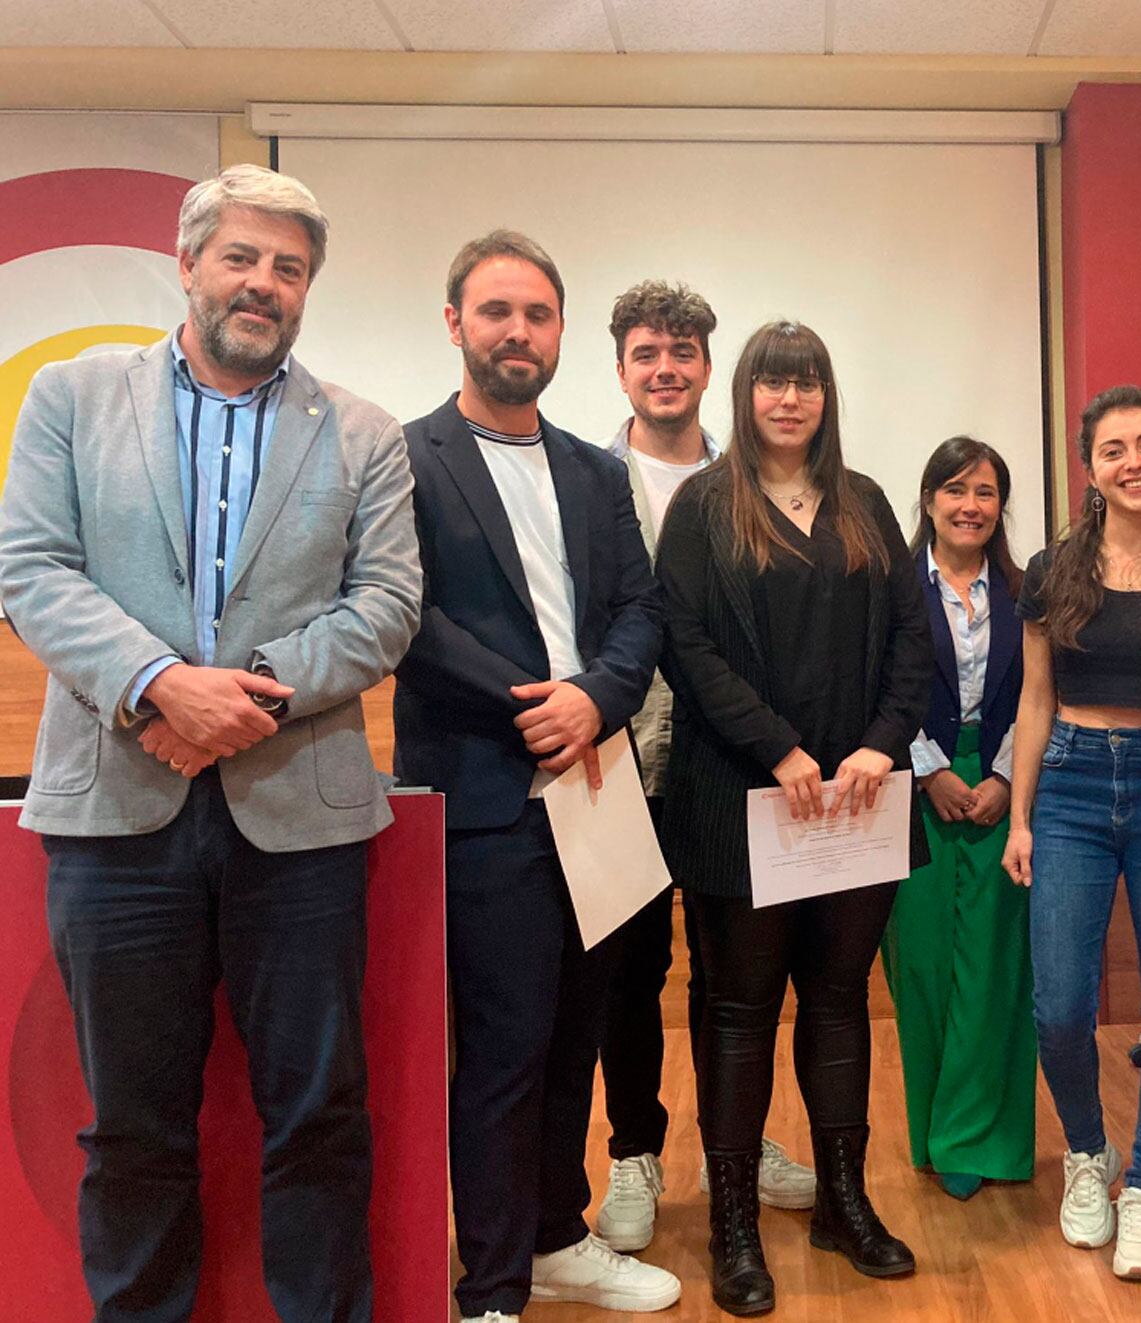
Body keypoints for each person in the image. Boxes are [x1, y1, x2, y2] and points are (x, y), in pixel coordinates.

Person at [0, 164, 421, 1321]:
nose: (264, 283)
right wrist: (157, 687)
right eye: (241, 257)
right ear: (188, 263)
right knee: (131, 1124)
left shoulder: (366, 433)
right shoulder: (74, 399)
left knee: (320, 1114)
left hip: (298, 818)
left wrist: (244, 699)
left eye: (289, 268)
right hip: (113, 822)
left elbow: (386, 604)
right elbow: (33, 569)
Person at [392, 231, 678, 1320]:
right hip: (483, 795)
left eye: (540, 314)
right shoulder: (405, 456)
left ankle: (562, 1239)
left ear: (562, 333)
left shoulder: (595, 470)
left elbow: (641, 611)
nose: (520, 331)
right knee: (505, 1047)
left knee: (578, 1034)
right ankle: (493, 1288)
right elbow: (405, 616)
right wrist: (537, 704)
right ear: (456, 322)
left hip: (598, 791)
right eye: (498, 311)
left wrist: (598, 699)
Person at [656, 319, 934, 1315]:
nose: (789, 398)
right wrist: (778, 747)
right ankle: (733, 1221)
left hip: (856, 801)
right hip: (743, 799)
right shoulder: (701, 506)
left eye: (806, 380)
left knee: (838, 999)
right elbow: (685, 646)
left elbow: (913, 637)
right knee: (737, 1012)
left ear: (825, 395)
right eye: (772, 382)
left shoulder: (862, 504)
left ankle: (842, 1201)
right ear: (746, 395)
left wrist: (881, 742)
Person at [591, 281, 814, 1257]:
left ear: (707, 369)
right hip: (621, 764)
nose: (665, 369)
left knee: (737, 976)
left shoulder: (758, 485)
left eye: (682, 353)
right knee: (626, 976)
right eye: (647, 353)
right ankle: (635, 1152)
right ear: (622, 368)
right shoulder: (584, 484)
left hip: (732, 767)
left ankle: (740, 1135)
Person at [1003, 384, 1141, 1282]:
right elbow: (1036, 697)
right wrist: (1019, 813)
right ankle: (1088, 1156)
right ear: (1089, 466)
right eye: (1114, 449)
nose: (1134, 461)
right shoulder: (1056, 567)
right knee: (1059, 1001)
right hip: (1074, 787)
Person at [880, 436, 1034, 1202]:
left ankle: (984, 1134)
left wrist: (1005, 774)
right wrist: (929, 767)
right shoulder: (892, 584)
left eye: (985, 491)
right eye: (954, 490)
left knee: (997, 964)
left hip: (1010, 781)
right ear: (929, 500)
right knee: (924, 965)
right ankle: (935, 1130)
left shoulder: (1025, 586)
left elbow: (1043, 686)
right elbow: (877, 680)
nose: (970, 505)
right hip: (911, 783)